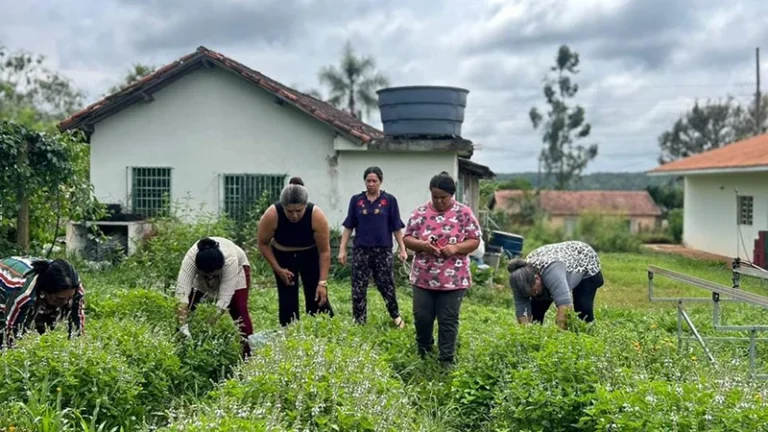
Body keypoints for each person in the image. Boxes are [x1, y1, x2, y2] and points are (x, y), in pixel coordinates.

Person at [403, 171, 481, 366]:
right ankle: (424, 353)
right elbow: (407, 238)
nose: (438, 201)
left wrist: (455, 248)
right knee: (422, 317)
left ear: (451, 195)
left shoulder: (464, 214)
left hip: (453, 280)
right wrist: (423, 246)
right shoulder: (420, 213)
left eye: (443, 198)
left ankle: (446, 360)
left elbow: (474, 240)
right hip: (423, 277)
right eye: (434, 197)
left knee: (448, 320)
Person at [257, 177, 334, 327]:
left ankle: (323, 329)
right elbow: (262, 243)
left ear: (305, 205)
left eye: (299, 210)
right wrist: (278, 269)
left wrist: (322, 282)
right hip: (283, 256)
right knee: (287, 299)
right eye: (289, 211)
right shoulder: (272, 214)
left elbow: (324, 251)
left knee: (317, 296)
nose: (294, 215)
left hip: (310, 256)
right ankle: (289, 331)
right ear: (283, 206)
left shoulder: (316, 215)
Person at [338, 166, 407, 328]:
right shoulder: (357, 201)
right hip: (361, 250)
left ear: (380, 181)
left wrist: (402, 248)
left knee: (386, 284)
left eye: (374, 181)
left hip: (382, 250)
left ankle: (395, 316)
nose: (371, 184)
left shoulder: (389, 201)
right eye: (368, 180)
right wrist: (342, 249)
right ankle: (359, 320)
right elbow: (349, 226)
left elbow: (396, 226)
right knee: (358, 286)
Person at [175, 236, 254, 358]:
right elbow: (181, 295)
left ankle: (248, 355)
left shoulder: (230, 260)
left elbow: (224, 300)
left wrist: (209, 324)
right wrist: (182, 326)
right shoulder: (190, 260)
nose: (210, 280)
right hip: (203, 273)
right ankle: (180, 350)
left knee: (239, 311)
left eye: (214, 276)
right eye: (207, 276)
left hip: (237, 269)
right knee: (189, 306)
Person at [507, 240, 604, 330]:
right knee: (535, 313)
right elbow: (522, 310)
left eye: (534, 291)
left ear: (537, 278)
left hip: (584, 259)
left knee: (583, 310)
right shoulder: (519, 279)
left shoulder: (552, 273)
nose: (534, 295)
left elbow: (565, 306)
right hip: (554, 264)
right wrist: (527, 333)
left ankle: (589, 335)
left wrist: (558, 337)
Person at [0, 257, 85, 349]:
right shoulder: (24, 296)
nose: (66, 302)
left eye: (70, 298)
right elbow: (10, 331)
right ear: (43, 292)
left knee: (44, 330)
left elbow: (77, 328)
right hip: (5, 276)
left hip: (21, 271)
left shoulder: (74, 287)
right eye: (58, 299)